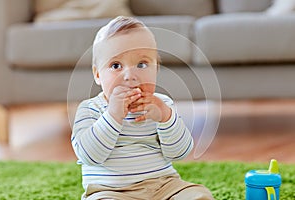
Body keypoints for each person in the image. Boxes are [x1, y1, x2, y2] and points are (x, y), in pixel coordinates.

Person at [71, 16, 214, 200]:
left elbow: (180, 152)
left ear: (156, 70)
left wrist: (166, 118)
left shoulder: (162, 105)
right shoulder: (90, 109)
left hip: (164, 186)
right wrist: (113, 115)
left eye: (142, 64)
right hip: (111, 192)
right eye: (116, 65)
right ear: (98, 75)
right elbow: (89, 155)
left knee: (198, 195)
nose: (130, 76)